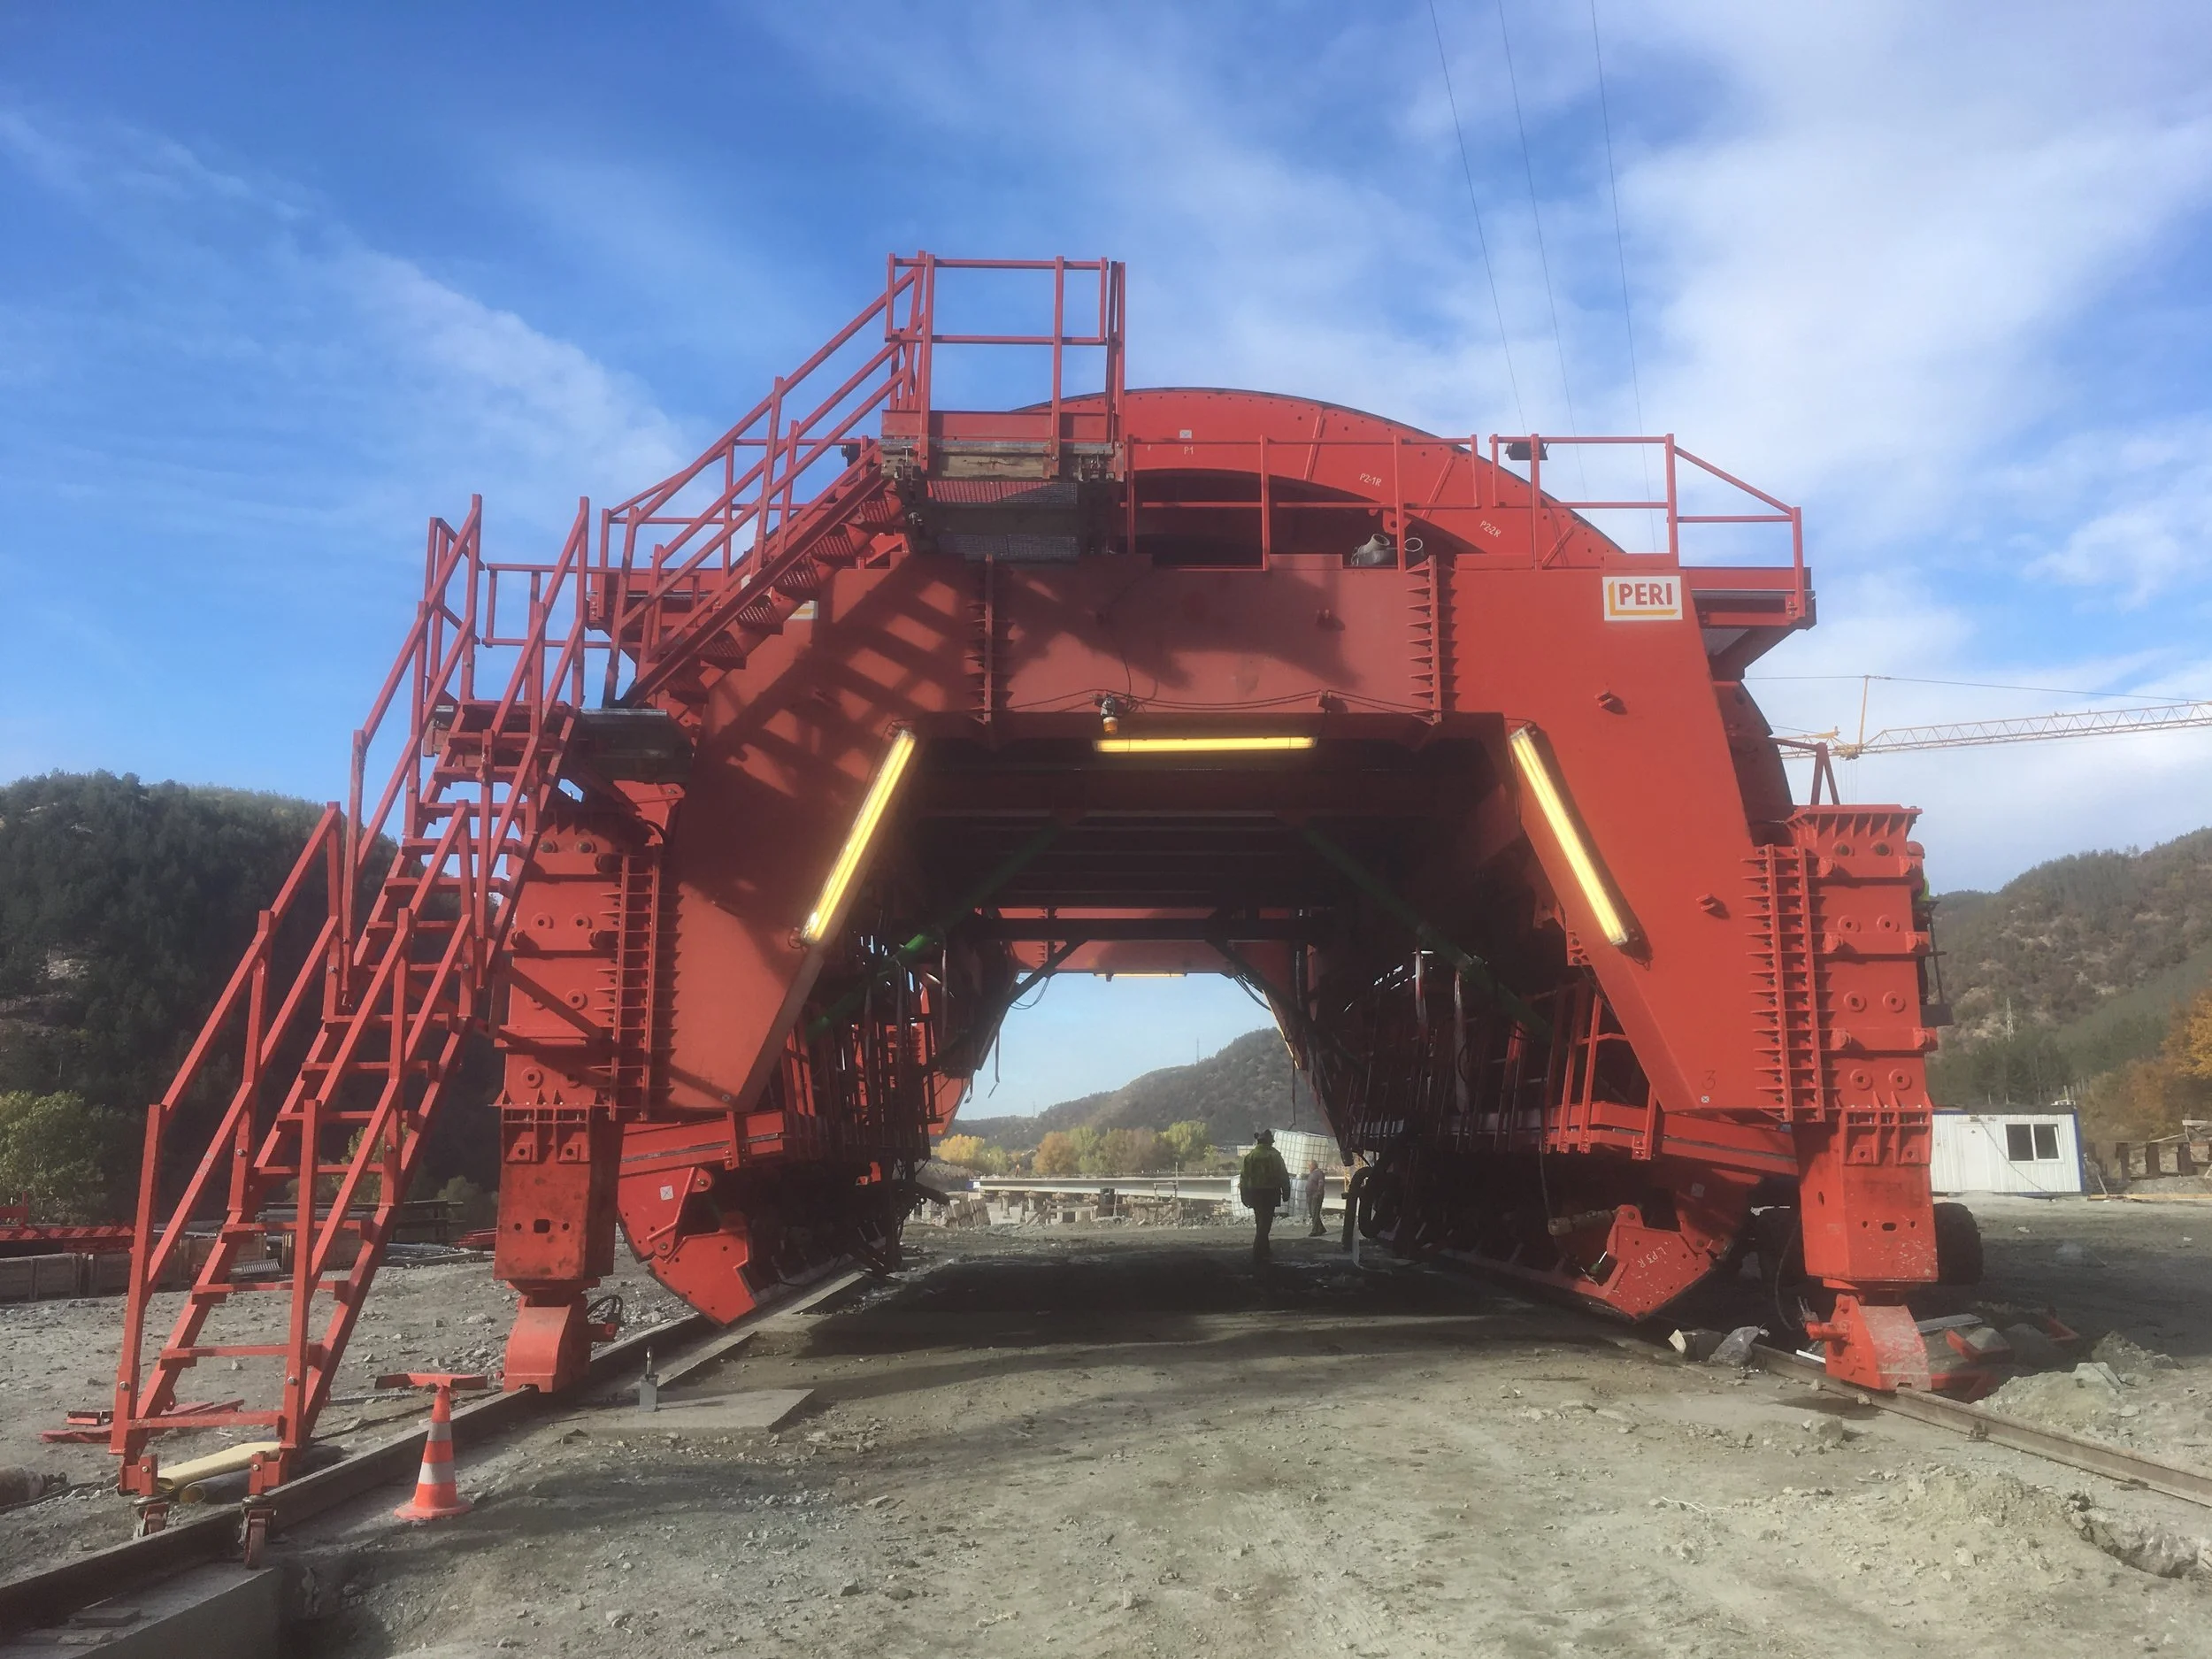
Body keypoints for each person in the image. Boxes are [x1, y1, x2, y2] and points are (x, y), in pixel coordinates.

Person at [1239, 1130, 1289, 1263]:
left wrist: (1244, 1195)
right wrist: (1286, 1191)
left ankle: (1265, 1249)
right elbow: (1283, 1175)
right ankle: (1258, 1249)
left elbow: (1243, 1178)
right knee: (1266, 1222)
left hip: (1254, 1193)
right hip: (1271, 1192)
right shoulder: (1275, 1155)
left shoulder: (1250, 1156)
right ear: (1269, 1142)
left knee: (1259, 1220)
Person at [1305, 1161, 1328, 1237]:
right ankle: (1321, 1228)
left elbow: (1321, 1184)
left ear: (1314, 1165)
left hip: (1316, 1196)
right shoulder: (1312, 1173)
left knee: (1315, 1213)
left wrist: (1318, 1193)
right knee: (1312, 1213)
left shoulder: (1319, 1173)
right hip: (1310, 1196)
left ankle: (1314, 1231)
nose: (1309, 1167)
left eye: (1310, 1165)